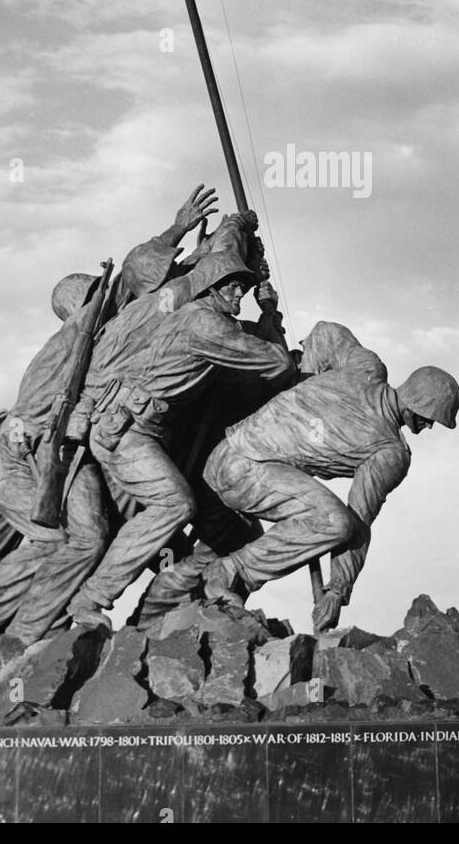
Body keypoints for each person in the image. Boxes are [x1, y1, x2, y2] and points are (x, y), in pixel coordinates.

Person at [0, 185, 221, 687]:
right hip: (15, 457)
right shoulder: (78, 336)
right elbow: (130, 279)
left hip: (32, 460)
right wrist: (175, 230)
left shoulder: (105, 343)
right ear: (85, 304)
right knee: (67, 538)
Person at [65, 250, 297, 629]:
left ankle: (163, 617)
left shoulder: (200, 318)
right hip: (126, 430)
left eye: (244, 287)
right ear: (211, 288)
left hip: (142, 429)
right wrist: (268, 314)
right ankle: (89, 600)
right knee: (174, 505)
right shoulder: (206, 325)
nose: (240, 295)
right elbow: (277, 364)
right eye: (233, 287)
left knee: (223, 532)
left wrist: (266, 312)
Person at [199, 358, 459, 631]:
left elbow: (325, 333)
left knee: (218, 553)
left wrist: (306, 379)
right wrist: (338, 590)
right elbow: (358, 521)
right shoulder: (391, 452)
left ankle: (217, 601)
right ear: (418, 403)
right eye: (432, 418)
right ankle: (231, 571)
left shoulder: (366, 367)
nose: (430, 426)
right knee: (336, 522)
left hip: (222, 453)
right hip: (244, 475)